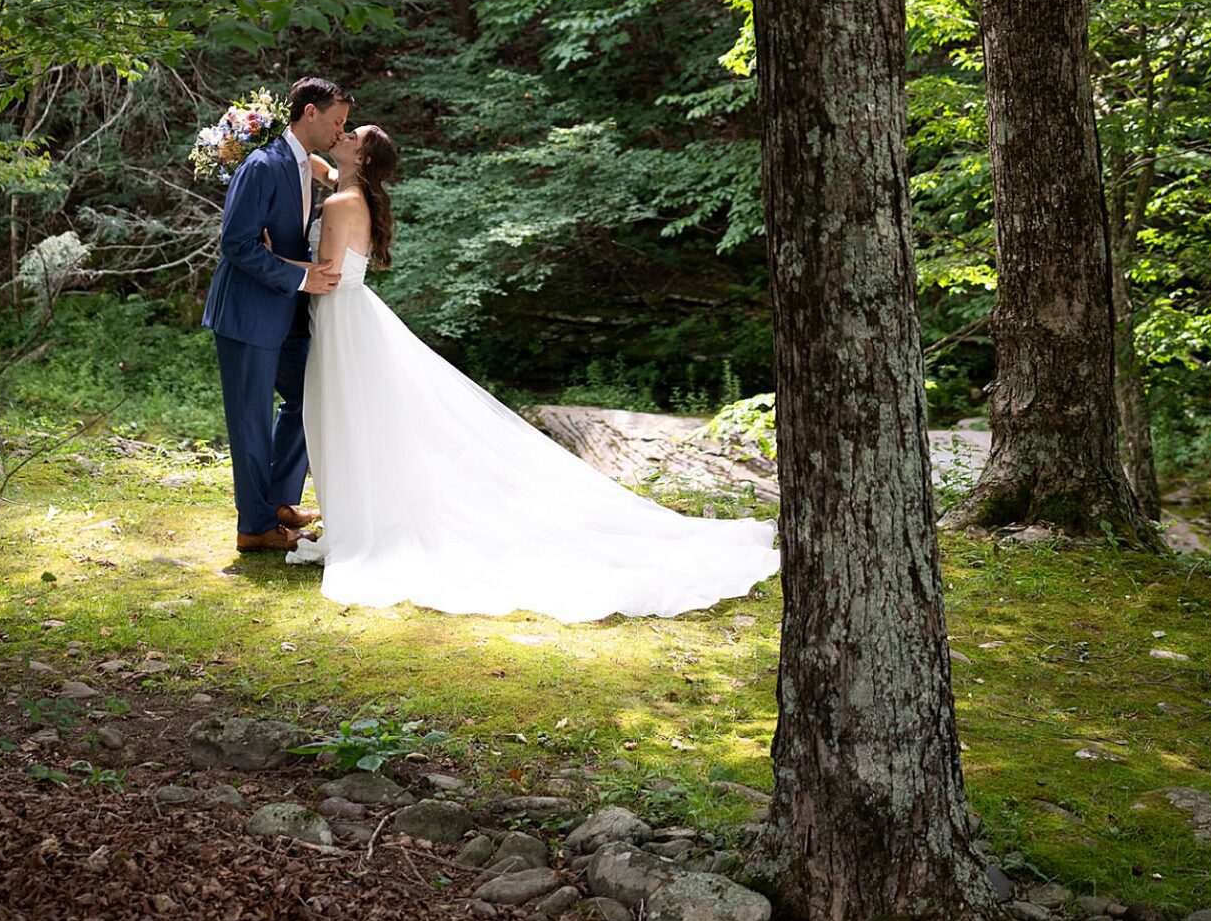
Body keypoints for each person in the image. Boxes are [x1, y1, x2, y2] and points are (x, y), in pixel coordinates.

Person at [290, 125, 781, 620]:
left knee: (352, 418)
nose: (345, 134)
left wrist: (274, 258)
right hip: (357, 316)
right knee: (365, 420)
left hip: (342, 318)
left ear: (365, 159)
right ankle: (368, 514)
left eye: (353, 135)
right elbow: (330, 174)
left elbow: (325, 274)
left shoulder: (338, 204)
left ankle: (371, 523)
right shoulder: (356, 195)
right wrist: (278, 140)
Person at [201, 75, 349, 553]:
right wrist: (303, 277)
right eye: (336, 121)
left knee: (311, 397)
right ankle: (255, 527)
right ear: (310, 113)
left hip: (288, 314)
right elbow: (236, 243)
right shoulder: (263, 165)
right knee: (250, 420)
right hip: (248, 313)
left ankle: (280, 502)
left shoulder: (305, 163)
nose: (340, 132)